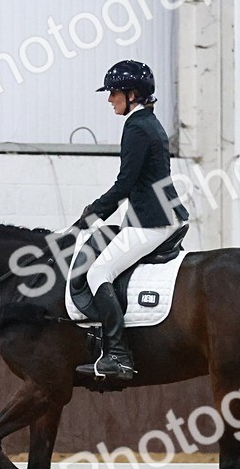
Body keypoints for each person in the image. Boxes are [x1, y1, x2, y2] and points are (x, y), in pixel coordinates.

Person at [73, 60, 190, 382]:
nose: (110, 99)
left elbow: (125, 183)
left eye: (113, 93)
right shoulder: (149, 122)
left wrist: (94, 213)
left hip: (151, 222)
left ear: (132, 93)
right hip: (154, 215)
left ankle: (117, 356)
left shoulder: (137, 127)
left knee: (98, 272)